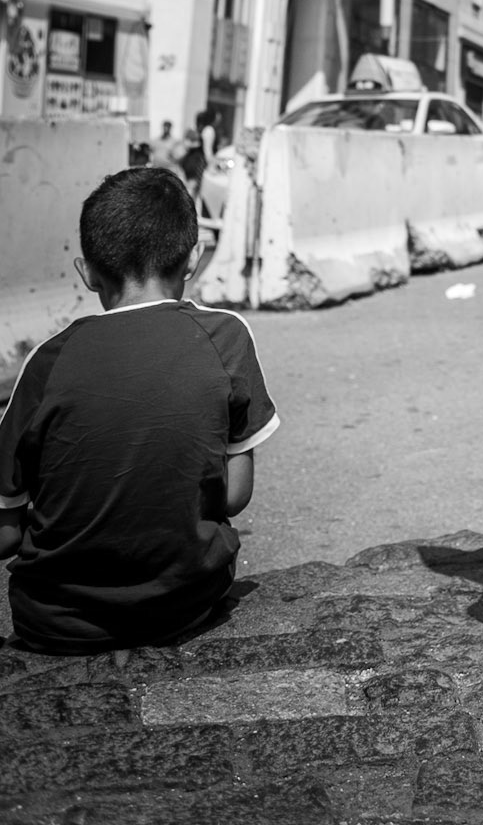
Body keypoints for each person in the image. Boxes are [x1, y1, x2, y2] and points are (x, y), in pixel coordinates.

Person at [0, 167, 277, 654]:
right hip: (185, 603)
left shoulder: (47, 361)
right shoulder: (226, 337)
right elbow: (234, 496)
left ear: (86, 272)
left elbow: (5, 532)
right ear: (194, 257)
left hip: (55, 623)